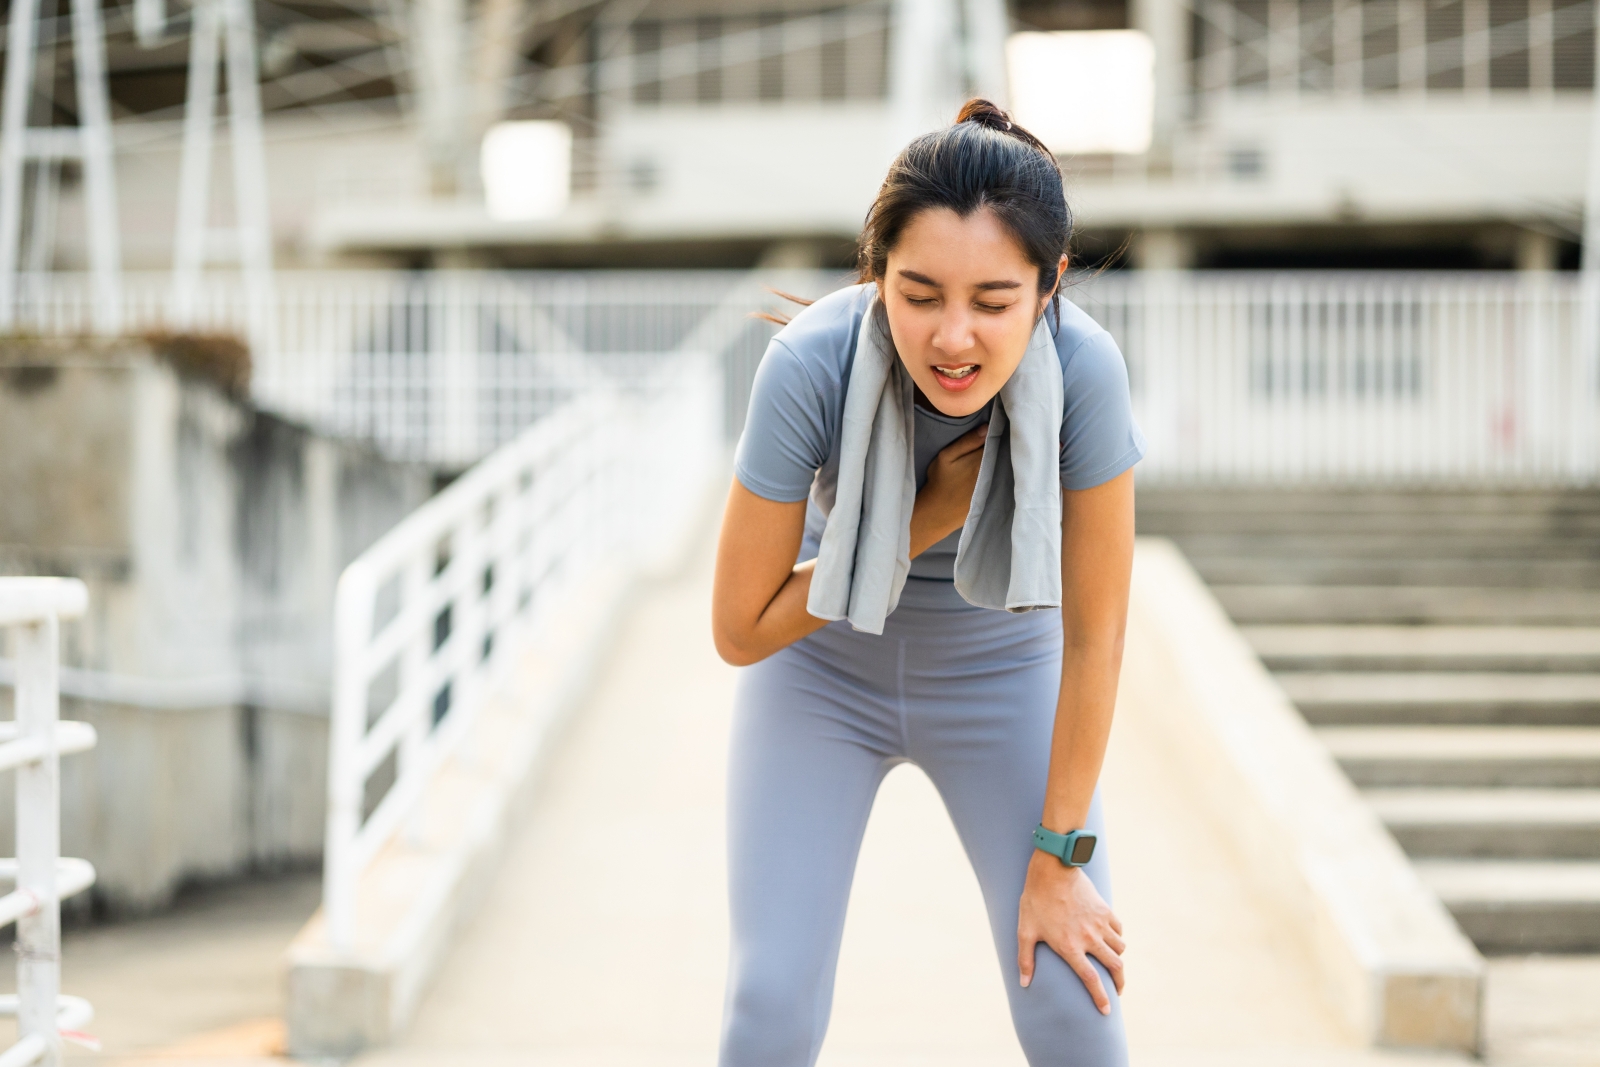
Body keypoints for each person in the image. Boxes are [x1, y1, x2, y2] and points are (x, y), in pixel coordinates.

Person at [710, 98, 1145, 1067]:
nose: (954, 338)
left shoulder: (1086, 374)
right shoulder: (809, 366)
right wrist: (921, 517)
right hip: (818, 676)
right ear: (874, 276)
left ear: (1050, 285)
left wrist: (1058, 858)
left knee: (1076, 1011)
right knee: (766, 1011)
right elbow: (738, 630)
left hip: (1009, 673)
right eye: (918, 294)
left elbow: (1099, 635)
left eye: (993, 300)